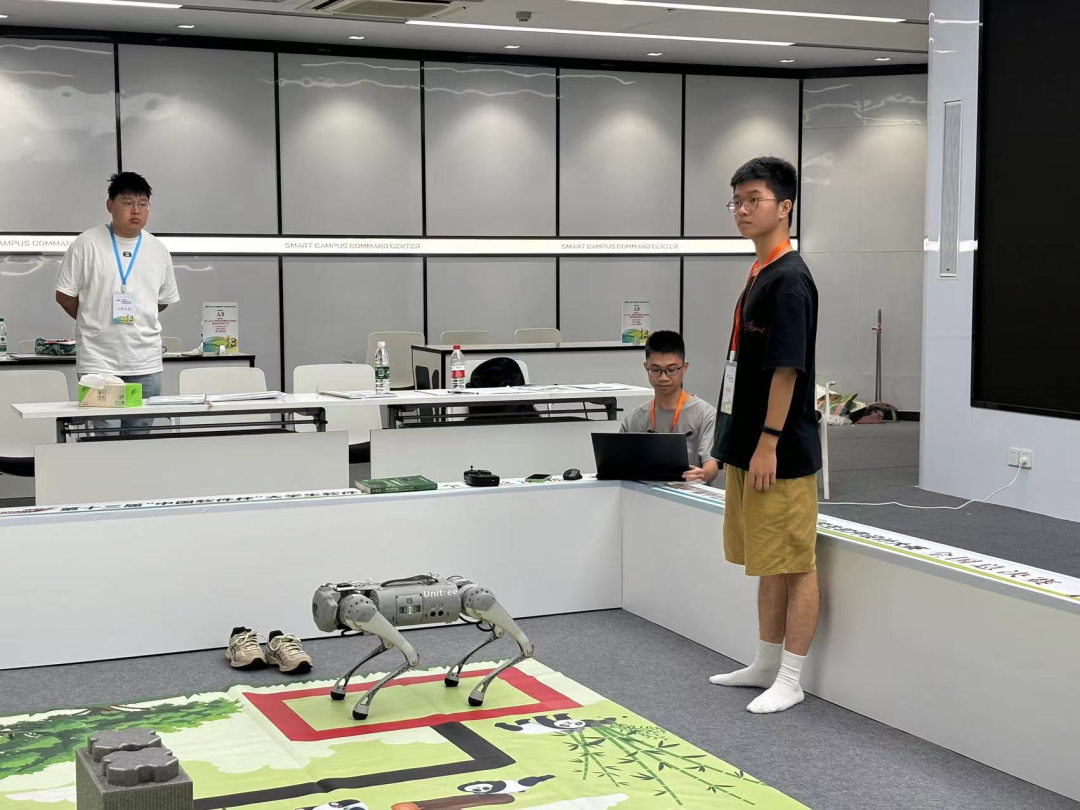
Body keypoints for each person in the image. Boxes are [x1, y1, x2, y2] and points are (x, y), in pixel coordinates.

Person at [709, 156, 821, 714]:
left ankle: (792, 678)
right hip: (748, 443)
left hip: (779, 450)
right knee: (766, 561)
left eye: (754, 199)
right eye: (737, 200)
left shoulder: (790, 279)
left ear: (785, 207)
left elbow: (787, 369)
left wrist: (769, 441)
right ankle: (765, 662)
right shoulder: (760, 270)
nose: (742, 209)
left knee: (795, 563)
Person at [55, 172, 179, 433]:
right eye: (127, 203)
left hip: (145, 360)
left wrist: (137, 315)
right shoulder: (86, 244)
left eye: (142, 204)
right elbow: (64, 296)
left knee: (139, 435)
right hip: (98, 360)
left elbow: (162, 300)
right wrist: (94, 318)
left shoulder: (158, 250)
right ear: (110, 205)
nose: (136, 210)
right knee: (104, 435)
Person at [620, 330, 719, 485]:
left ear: (684, 367)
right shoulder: (634, 418)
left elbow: (711, 464)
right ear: (646, 367)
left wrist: (703, 474)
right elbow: (619, 463)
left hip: (688, 493)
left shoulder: (706, 414)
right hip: (643, 493)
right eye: (655, 370)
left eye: (671, 370)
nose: (663, 377)